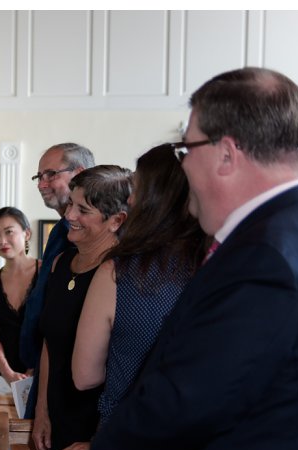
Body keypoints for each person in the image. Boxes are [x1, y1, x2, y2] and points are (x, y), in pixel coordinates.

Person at [81, 68, 298, 450]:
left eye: (186, 148)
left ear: (226, 154)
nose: (182, 164)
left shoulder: (266, 254)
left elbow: (193, 394)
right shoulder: (292, 233)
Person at [72, 144, 208, 423]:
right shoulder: (215, 265)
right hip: (195, 433)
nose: (130, 199)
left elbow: (85, 377)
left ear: (156, 197)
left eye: (137, 187)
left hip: (128, 429)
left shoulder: (117, 273)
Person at [32, 166, 131, 450]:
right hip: (56, 413)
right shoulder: (60, 263)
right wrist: (41, 410)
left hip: (97, 422)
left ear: (116, 220)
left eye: (83, 210)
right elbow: (50, 342)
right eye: (71, 205)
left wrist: (101, 440)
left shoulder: (121, 274)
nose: (69, 216)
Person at [19, 143, 95, 417]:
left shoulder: (89, 237)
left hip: (69, 375)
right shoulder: (59, 232)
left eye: (51, 174)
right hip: (44, 364)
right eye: (39, 177)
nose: (42, 184)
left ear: (79, 173)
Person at [0, 206, 40, 384]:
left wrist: (36, 366)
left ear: (26, 234)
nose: (2, 241)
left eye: (9, 232)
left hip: (43, 366)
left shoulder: (47, 271)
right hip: (3, 371)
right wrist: (7, 372)